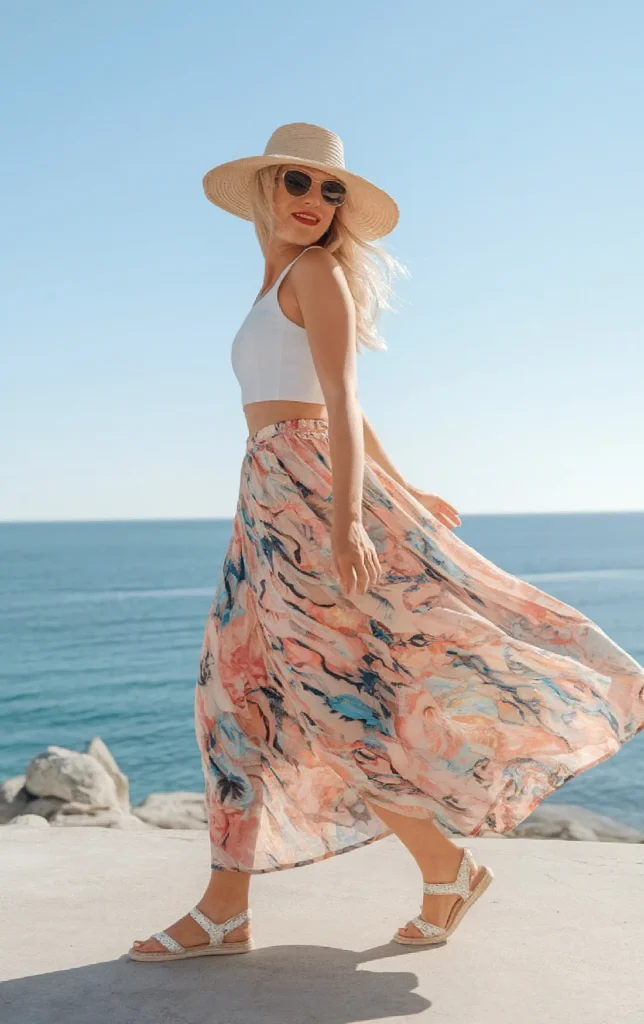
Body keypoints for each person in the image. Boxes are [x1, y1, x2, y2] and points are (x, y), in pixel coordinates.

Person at [128, 122, 644, 961]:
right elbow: (345, 406)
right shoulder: (276, 286)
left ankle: (429, 875)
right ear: (266, 191)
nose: (316, 203)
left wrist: (354, 517)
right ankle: (244, 907)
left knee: (338, 704)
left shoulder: (320, 271)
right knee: (233, 699)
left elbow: (340, 395)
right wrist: (401, 484)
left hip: (309, 499)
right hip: (265, 503)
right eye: (300, 183)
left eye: (331, 191)